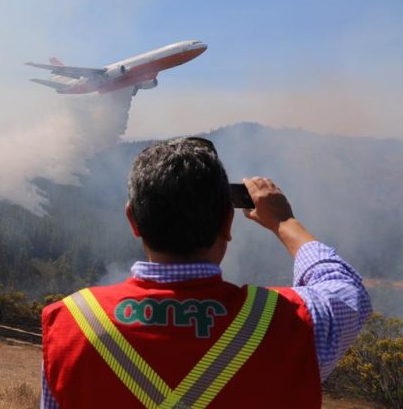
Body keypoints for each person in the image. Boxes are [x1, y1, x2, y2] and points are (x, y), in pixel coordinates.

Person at [41, 137, 371, 408]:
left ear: (133, 221)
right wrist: (284, 222)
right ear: (228, 222)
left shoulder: (69, 323)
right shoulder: (294, 323)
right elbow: (345, 288)